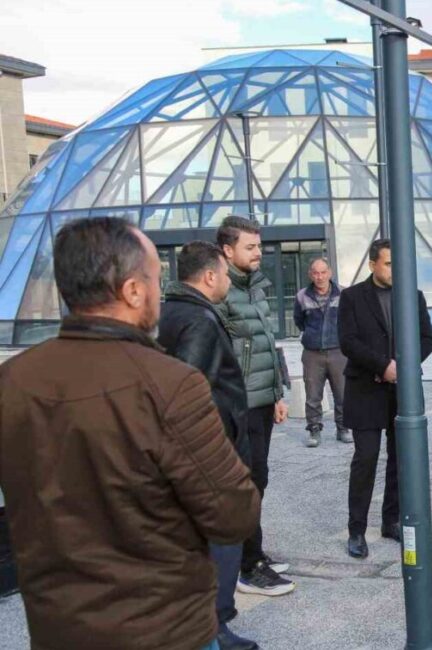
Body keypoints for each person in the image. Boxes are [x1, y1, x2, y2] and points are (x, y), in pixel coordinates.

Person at [0, 217, 259, 650]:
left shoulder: (13, 381)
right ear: (133, 291)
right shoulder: (171, 384)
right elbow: (233, 513)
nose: (162, 291)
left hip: (58, 628)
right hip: (163, 629)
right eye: (156, 278)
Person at [158, 241, 264, 649]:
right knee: (223, 536)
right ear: (208, 276)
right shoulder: (200, 320)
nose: (227, 282)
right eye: (223, 275)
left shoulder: (171, 311)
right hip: (212, 450)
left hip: (196, 450)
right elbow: (188, 390)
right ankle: (215, 626)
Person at [340, 239, 432, 559]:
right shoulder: (352, 297)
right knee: (366, 459)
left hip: (403, 391)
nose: (396, 269)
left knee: (400, 458)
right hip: (365, 390)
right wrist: (383, 366)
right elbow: (348, 342)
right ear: (373, 265)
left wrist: (402, 367)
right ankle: (356, 530)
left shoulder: (413, 296)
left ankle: (390, 520)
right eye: (389, 263)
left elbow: (427, 339)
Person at [216, 215, 295, 596]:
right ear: (227, 250)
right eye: (250, 247)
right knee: (247, 483)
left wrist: (278, 393)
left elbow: (267, 343)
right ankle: (246, 567)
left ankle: (254, 553)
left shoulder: (255, 287)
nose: (258, 253)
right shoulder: (221, 292)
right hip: (240, 404)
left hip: (262, 400)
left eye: (259, 246)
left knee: (258, 479)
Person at [294, 257, 351, 448]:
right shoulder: (302, 296)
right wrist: (311, 336)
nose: (320, 277)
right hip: (312, 353)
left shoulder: (343, 294)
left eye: (323, 272)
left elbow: (349, 320)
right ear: (310, 274)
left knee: (342, 393)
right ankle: (314, 430)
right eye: (316, 273)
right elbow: (299, 321)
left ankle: (343, 428)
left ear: (330, 273)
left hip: (338, 352)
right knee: (312, 395)